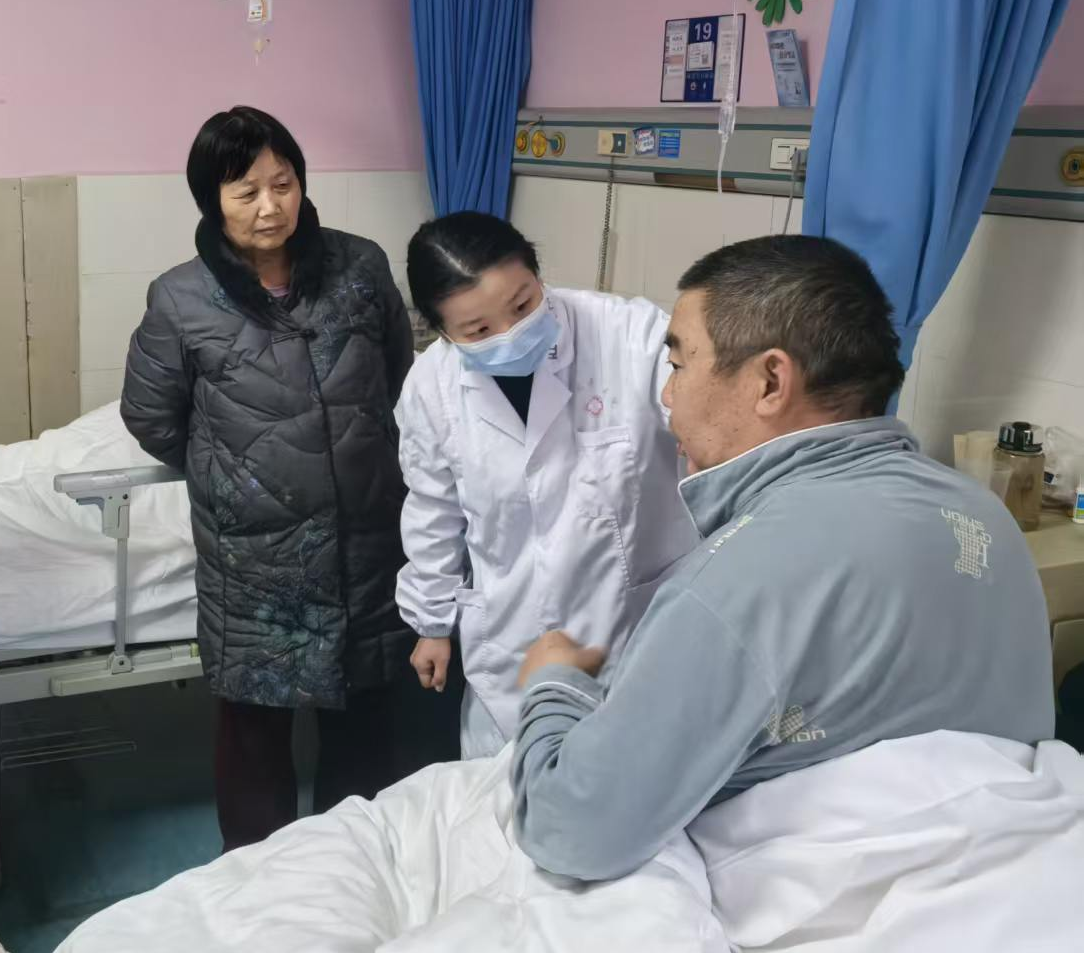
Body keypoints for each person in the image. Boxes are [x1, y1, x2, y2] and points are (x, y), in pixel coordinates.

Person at [511, 235, 1054, 881]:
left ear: (770, 381)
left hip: (839, 914)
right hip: (1015, 878)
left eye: (679, 365)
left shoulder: (736, 582)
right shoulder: (982, 514)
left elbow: (575, 830)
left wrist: (552, 687)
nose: (668, 396)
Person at [121, 106, 415, 850]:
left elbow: (396, 373)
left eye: (282, 184)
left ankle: (357, 869)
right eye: (245, 191)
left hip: (365, 538)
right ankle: (257, 885)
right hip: (256, 561)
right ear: (211, 200)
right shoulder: (181, 297)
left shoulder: (360, 267)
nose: (269, 206)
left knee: (367, 726)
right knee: (254, 735)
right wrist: (238, 475)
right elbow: (150, 414)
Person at [397, 212, 697, 758]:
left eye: (522, 305)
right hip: (511, 636)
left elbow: (704, 416)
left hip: (631, 625)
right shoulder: (431, 387)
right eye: (478, 331)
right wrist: (432, 622)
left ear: (538, 275)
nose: (509, 334)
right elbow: (433, 510)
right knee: (505, 790)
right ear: (442, 332)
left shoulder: (629, 334)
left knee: (635, 775)